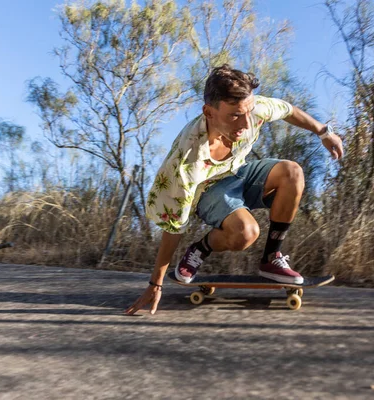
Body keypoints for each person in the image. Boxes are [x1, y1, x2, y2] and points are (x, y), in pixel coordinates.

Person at [125, 64, 343, 315]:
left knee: (292, 172)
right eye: (234, 116)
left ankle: (271, 258)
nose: (245, 122)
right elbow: (173, 225)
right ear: (209, 112)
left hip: (239, 174)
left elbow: (288, 110)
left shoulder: (252, 109)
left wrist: (323, 132)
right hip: (208, 192)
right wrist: (156, 283)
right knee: (246, 234)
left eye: (248, 112)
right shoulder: (188, 158)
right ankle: (200, 248)